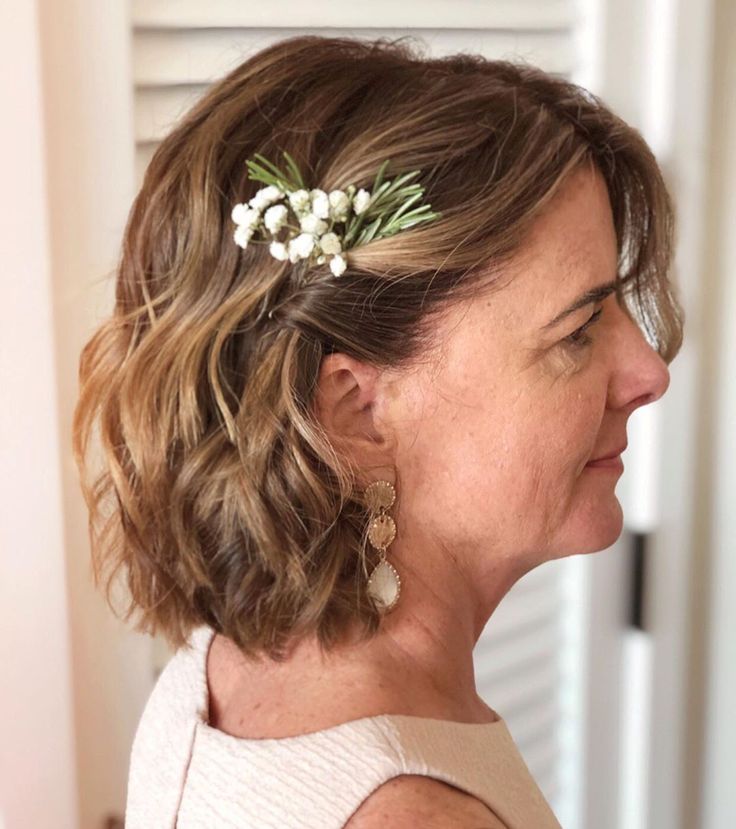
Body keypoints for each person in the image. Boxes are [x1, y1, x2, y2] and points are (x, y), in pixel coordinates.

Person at [71, 34, 683, 828]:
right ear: (356, 412)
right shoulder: (414, 812)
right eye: (577, 330)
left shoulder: (216, 666)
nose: (649, 372)